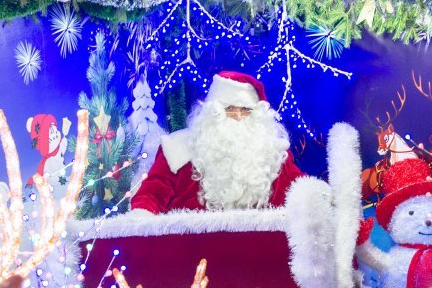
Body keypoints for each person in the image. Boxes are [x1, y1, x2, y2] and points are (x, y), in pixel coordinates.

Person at [129, 71, 304, 213]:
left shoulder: (272, 153)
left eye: (246, 109)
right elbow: (151, 195)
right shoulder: (177, 148)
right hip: (190, 248)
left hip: (257, 250)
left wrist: (321, 197)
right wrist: (142, 216)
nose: (237, 116)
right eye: (229, 109)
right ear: (213, 111)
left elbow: (301, 190)